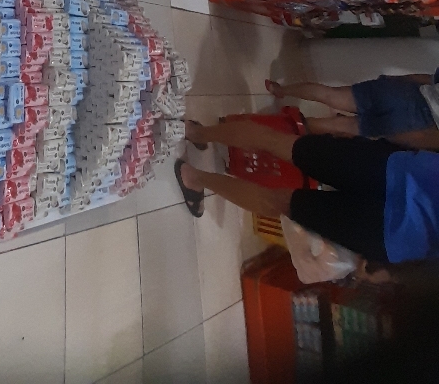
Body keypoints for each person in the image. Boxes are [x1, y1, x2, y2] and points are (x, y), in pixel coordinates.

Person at [174, 119, 439, 267]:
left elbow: (426, 136)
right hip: (400, 231)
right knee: (280, 202)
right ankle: (195, 178)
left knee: (283, 145)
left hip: (399, 170)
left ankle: (196, 132)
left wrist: (391, 144)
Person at [264, 71, 439, 150]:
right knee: (341, 126)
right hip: (418, 123)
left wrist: (396, 79)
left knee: (332, 95)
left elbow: (430, 78)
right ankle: (273, 128)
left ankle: (280, 90)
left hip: (408, 92)